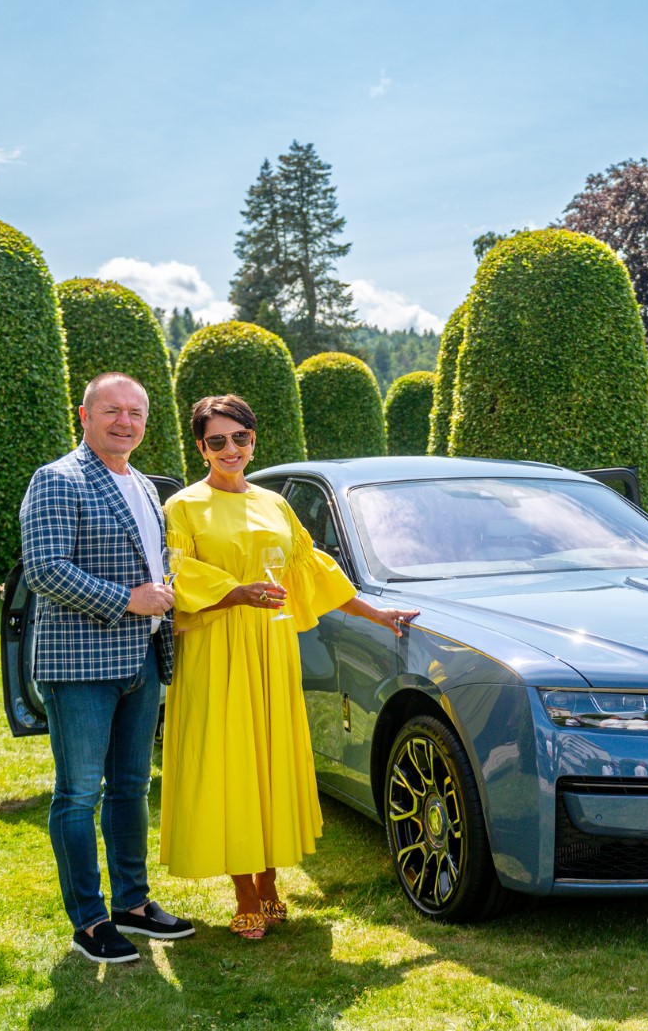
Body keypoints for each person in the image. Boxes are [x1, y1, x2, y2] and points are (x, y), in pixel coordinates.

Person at [160, 395, 418, 939]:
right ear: (200, 446)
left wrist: (375, 612)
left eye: (241, 438)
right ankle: (245, 894)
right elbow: (177, 579)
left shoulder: (275, 505)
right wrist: (234, 593)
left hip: (272, 653)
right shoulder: (183, 507)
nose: (230, 449)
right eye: (217, 441)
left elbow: (310, 571)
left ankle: (273, 886)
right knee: (231, 767)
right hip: (217, 652)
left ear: (254, 440)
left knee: (269, 763)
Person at [19, 372, 194, 965]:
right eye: (113, 410)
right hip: (81, 666)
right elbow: (43, 569)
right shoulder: (57, 479)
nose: (126, 422)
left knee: (131, 787)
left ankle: (133, 904)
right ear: (84, 414)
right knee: (77, 794)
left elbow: (155, 567)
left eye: (137, 413)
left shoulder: (145, 486)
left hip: (142, 657)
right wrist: (128, 599)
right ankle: (89, 920)